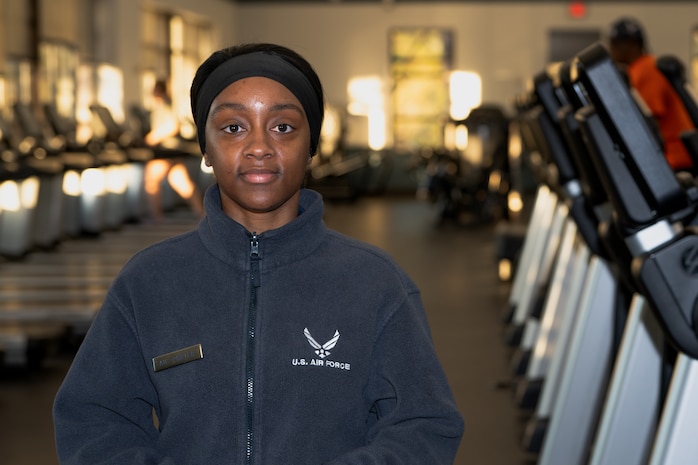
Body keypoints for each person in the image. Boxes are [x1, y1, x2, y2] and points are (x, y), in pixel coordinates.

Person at [53, 43, 464, 464]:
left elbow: (423, 425)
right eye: (233, 128)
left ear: (312, 146)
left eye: (283, 127)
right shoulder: (149, 282)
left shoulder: (376, 283)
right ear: (206, 149)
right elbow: (93, 420)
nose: (259, 146)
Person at [608, 17, 696, 174]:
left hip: (677, 157)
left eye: (615, 43)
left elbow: (646, 121)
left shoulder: (645, 70)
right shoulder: (641, 67)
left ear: (632, 44)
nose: (611, 49)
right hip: (677, 154)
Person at [143, 79, 204, 221]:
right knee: (182, 183)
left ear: (157, 91)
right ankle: (203, 214)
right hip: (171, 150)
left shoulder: (163, 106)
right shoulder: (165, 105)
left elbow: (172, 125)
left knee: (151, 181)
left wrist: (151, 138)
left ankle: (156, 217)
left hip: (165, 151)